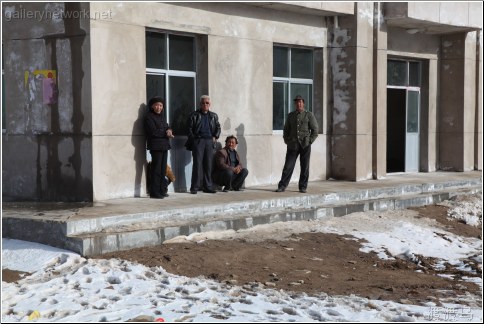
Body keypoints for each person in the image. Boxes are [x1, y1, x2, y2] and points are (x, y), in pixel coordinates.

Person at [275, 95, 318, 193]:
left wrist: (309, 141)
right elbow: (286, 129)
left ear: (303, 103)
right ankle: (282, 186)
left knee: (305, 167)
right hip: (292, 145)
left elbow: (315, 130)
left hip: (305, 145)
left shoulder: (309, 115)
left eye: (300, 102)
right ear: (295, 104)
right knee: (288, 166)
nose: (298, 104)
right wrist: (286, 140)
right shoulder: (291, 115)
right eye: (297, 102)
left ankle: (303, 187)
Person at [187, 95, 221, 194]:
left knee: (208, 165)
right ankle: (194, 187)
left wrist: (215, 136)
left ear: (210, 104)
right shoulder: (194, 115)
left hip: (210, 142)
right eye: (203, 103)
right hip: (199, 141)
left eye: (207, 103)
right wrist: (194, 140)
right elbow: (189, 129)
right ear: (200, 104)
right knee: (197, 165)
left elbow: (218, 127)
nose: (205, 104)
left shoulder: (214, 116)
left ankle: (208, 186)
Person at [144, 96, 174, 199]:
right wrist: (166, 133)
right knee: (156, 170)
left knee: (162, 170)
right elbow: (153, 132)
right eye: (156, 105)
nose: (159, 107)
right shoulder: (149, 117)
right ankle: (154, 192)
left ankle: (162, 190)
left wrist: (169, 130)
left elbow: (167, 126)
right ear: (152, 106)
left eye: (161, 105)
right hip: (156, 147)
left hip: (164, 146)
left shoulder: (161, 117)